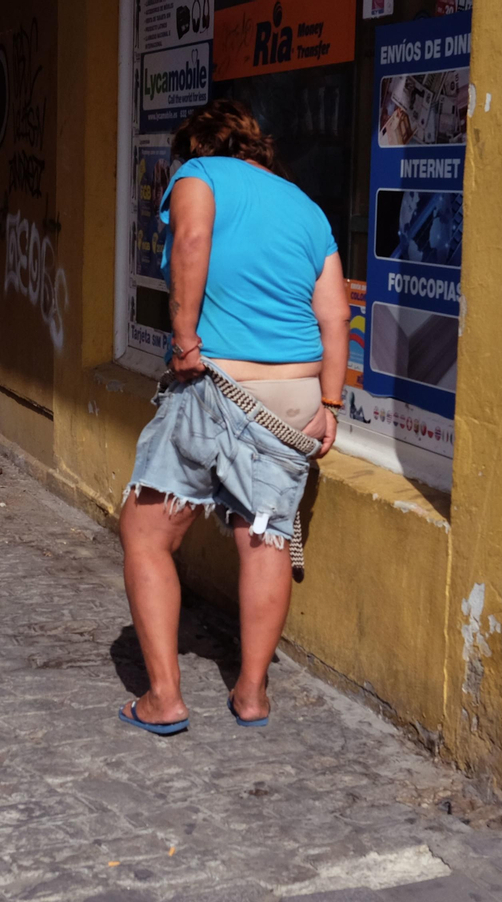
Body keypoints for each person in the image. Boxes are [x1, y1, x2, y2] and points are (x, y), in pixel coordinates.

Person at [117, 100, 349, 733]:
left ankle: (164, 698)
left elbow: (191, 241)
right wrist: (330, 404)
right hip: (295, 397)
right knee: (264, 535)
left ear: (196, 148)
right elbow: (335, 314)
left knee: (146, 534)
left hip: (216, 386)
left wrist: (184, 339)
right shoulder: (307, 208)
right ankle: (251, 694)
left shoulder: (199, 175)